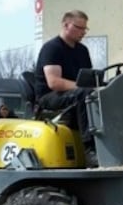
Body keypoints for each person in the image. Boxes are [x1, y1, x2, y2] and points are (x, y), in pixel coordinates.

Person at [34, 9, 97, 167]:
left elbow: (88, 78)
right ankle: (89, 150)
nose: (83, 32)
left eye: (85, 29)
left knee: (100, 95)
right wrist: (83, 88)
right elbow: (54, 82)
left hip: (74, 93)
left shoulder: (82, 51)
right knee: (85, 94)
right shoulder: (52, 48)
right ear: (66, 25)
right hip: (50, 96)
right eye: (79, 28)